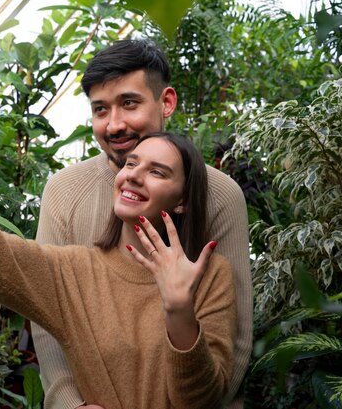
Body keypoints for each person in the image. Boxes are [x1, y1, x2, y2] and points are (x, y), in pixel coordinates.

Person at [0, 68, 237, 407]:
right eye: (130, 164)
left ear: (184, 200)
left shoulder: (210, 276)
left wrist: (178, 311)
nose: (134, 175)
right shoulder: (73, 272)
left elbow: (203, 399)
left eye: (157, 171)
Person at [33, 39, 252, 409]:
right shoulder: (64, 191)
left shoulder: (219, 194)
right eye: (100, 110)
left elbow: (238, 333)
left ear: (165, 102)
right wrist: (69, 403)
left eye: (129, 103)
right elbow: (46, 314)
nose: (114, 124)